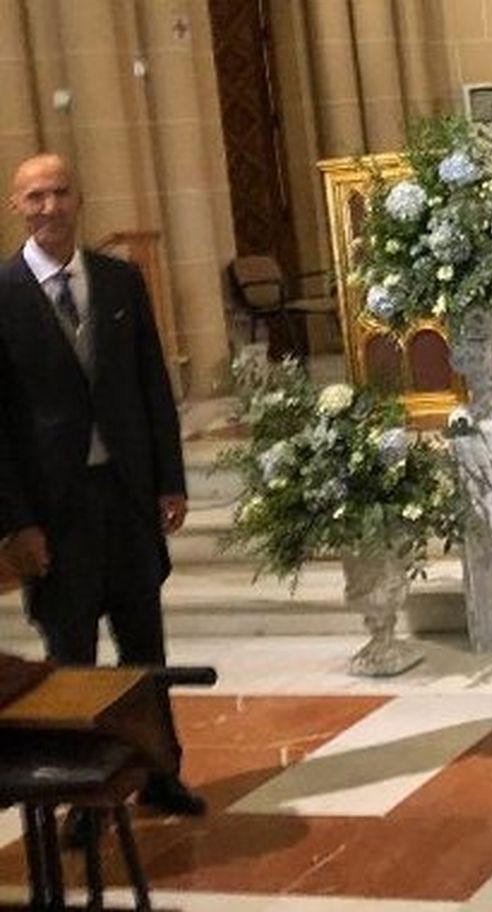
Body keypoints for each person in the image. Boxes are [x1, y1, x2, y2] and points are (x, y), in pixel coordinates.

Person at [0, 153, 206, 821]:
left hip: (125, 497)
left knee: (146, 648)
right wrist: (17, 524)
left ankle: (163, 774)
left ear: (79, 199)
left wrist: (168, 481)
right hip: (54, 514)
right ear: (16, 206)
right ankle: (85, 802)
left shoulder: (119, 280)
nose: (50, 206)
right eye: (36, 196)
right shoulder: (1, 295)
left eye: (60, 193)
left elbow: (151, 384)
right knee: (74, 662)